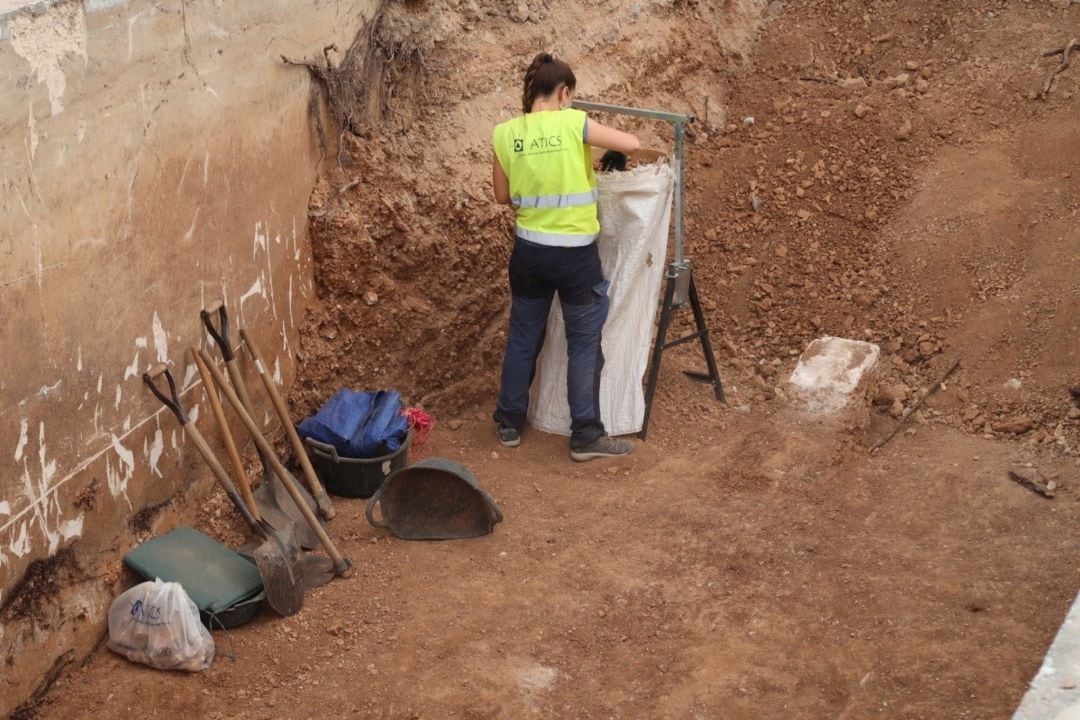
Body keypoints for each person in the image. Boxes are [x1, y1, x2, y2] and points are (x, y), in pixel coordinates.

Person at [490, 52, 641, 462]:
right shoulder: (572, 121)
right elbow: (631, 143)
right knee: (584, 344)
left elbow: (502, 196)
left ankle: (508, 423)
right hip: (575, 258)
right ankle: (586, 436)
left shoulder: (505, 133)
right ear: (564, 92)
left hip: (528, 253)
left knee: (523, 337)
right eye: (569, 98)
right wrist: (597, 151)